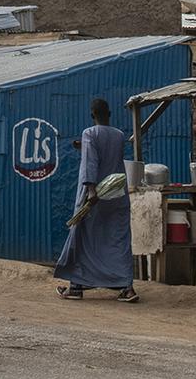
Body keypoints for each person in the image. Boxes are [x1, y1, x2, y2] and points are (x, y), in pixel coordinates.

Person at [53, 98, 138, 303]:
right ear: (109, 114)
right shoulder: (119, 135)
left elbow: (91, 162)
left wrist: (91, 192)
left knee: (82, 238)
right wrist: (84, 147)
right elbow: (107, 156)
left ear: (92, 115)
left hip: (95, 197)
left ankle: (76, 286)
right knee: (117, 241)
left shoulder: (89, 133)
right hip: (116, 195)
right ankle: (126, 287)